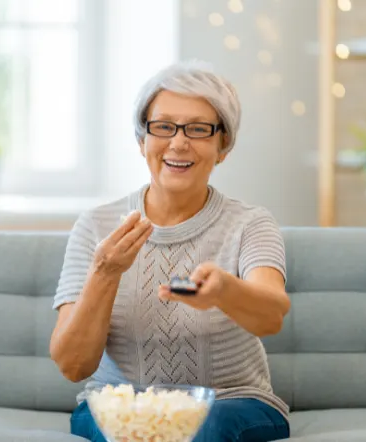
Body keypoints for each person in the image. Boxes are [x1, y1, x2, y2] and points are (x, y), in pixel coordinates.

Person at [49, 60, 291, 442]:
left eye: (198, 129)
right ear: (142, 139)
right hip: (123, 404)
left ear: (222, 145)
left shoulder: (251, 224)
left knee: (198, 426)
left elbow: (271, 316)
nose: (178, 142)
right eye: (163, 127)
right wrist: (105, 272)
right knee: (127, 427)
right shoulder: (96, 226)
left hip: (230, 403)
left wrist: (225, 291)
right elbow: (72, 365)